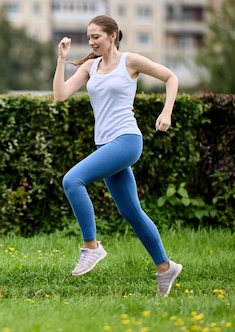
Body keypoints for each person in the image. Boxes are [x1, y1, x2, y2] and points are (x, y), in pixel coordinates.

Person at [53, 15, 182, 297]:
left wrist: (166, 112)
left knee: (72, 180)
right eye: (88, 37)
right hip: (105, 145)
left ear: (113, 36)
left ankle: (91, 247)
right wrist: (61, 60)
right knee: (131, 212)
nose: (91, 42)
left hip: (126, 140)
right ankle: (165, 267)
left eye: (96, 37)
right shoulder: (90, 66)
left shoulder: (130, 62)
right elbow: (61, 95)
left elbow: (170, 77)